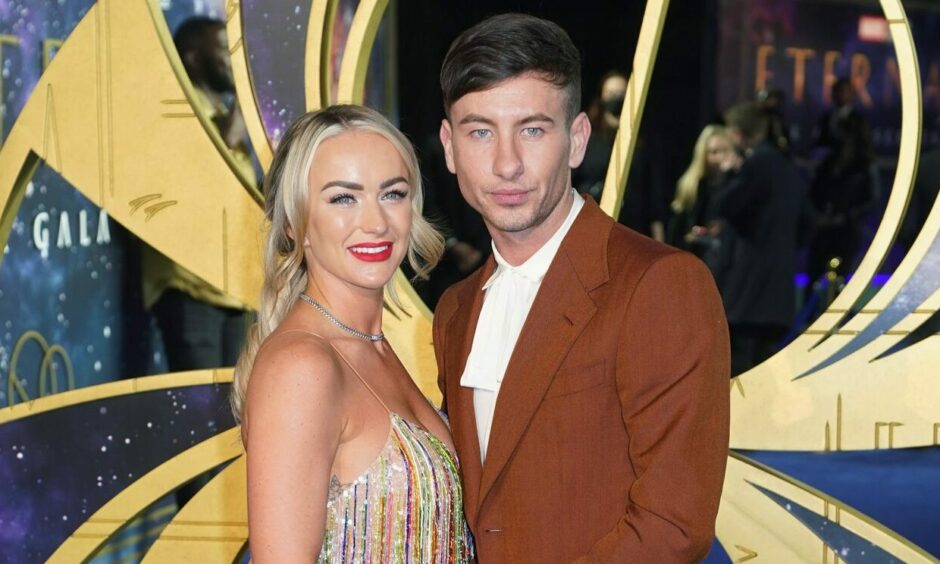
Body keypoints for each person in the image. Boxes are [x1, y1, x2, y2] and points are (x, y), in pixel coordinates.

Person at [434, 13, 729, 562]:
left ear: (577, 140)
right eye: (480, 131)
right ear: (450, 147)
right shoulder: (455, 310)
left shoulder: (660, 284)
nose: (506, 164)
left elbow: (673, 523)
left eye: (532, 129)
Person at [232, 105, 472, 562]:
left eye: (393, 194)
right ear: (293, 224)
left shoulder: (373, 348)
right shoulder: (301, 366)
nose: (376, 222)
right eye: (343, 198)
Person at [142, 17, 255, 374]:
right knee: (199, 411)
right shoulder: (172, 111)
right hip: (191, 290)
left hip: (235, 289)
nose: (232, 60)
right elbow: (197, 171)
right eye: (223, 48)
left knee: (235, 411)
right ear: (192, 58)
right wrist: (242, 105)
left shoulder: (222, 113)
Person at [714, 102, 811, 375]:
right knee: (767, 372)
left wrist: (729, 173)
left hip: (748, 292)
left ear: (737, 133)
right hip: (778, 292)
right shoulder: (787, 167)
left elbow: (724, 206)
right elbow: (809, 220)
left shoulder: (756, 165)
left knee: (739, 373)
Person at [573, 70, 666, 241]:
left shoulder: (642, 141)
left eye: (620, 93)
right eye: (610, 93)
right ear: (601, 97)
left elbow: (653, 196)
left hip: (631, 230)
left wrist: (659, 240)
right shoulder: (588, 137)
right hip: (591, 227)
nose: (615, 98)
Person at [668, 124, 739, 260]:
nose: (720, 158)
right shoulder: (691, 185)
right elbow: (678, 229)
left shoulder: (737, 184)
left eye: (725, 151)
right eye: (714, 152)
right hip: (695, 257)